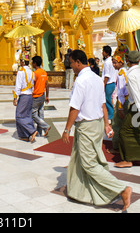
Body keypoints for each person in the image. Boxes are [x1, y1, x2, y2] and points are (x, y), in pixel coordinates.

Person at [62, 49, 132, 211]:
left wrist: (67, 129)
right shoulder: (96, 78)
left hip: (86, 126)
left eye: (71, 63)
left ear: (78, 62)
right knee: (80, 159)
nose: (71, 66)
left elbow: (74, 108)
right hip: (97, 123)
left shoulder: (81, 81)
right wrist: (106, 124)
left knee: (89, 163)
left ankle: (122, 188)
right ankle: (81, 192)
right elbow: (102, 104)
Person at [115, 50, 140, 168]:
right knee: (135, 131)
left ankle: (128, 159)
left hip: (137, 106)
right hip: (136, 106)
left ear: (127, 60)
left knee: (125, 131)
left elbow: (136, 94)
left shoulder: (131, 74)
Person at [13, 55, 37, 143]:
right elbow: (33, 85)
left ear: (22, 62)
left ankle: (32, 131)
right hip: (30, 95)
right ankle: (25, 135)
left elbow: (18, 86)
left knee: (19, 116)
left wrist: (15, 97)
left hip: (23, 96)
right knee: (27, 115)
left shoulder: (21, 71)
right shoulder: (31, 72)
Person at [110, 55, 129, 154]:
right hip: (127, 100)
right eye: (113, 62)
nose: (114, 65)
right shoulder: (125, 71)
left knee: (116, 123)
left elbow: (121, 92)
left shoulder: (121, 74)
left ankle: (116, 146)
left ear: (121, 63)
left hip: (122, 101)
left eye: (115, 62)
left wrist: (120, 108)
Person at [31, 55, 50, 137]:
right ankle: (39, 132)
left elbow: (31, 85)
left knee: (33, 114)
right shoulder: (44, 72)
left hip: (36, 96)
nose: (31, 64)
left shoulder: (35, 73)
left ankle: (45, 126)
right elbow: (47, 85)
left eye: (32, 62)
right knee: (40, 113)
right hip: (42, 95)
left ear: (35, 64)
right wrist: (47, 96)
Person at [102, 45, 118, 123]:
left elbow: (107, 75)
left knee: (107, 100)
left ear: (106, 53)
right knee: (109, 99)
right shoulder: (112, 61)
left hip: (108, 83)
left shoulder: (107, 62)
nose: (102, 53)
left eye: (103, 51)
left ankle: (111, 116)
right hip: (112, 83)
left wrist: (103, 84)